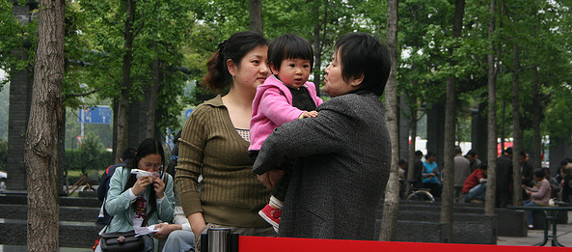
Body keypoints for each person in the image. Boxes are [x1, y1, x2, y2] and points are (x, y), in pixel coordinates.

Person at [252, 32, 392, 240]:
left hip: (326, 235)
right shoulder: (370, 110)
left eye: (334, 64)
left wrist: (263, 167)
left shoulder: (349, 110)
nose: (326, 69)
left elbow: (284, 138)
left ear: (357, 78)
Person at [175, 31, 275, 251]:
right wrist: (201, 230)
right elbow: (185, 175)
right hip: (219, 233)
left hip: (270, 233)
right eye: (256, 62)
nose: (264, 69)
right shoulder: (205, 114)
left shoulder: (279, 115)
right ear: (232, 67)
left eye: (268, 63)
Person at [249, 33, 323, 232]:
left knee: (306, 168)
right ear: (274, 67)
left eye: (305, 66)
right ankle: (275, 208)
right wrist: (301, 116)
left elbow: (321, 108)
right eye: (292, 66)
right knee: (296, 167)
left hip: (289, 144)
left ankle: (291, 209)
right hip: (266, 146)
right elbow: (278, 110)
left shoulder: (309, 89)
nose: (299, 72)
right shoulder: (270, 90)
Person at [94, 138, 176, 252]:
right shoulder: (121, 173)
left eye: (157, 166)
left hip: (146, 240)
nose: (151, 170)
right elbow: (111, 208)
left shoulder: (166, 179)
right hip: (120, 236)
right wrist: (133, 192)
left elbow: (167, 216)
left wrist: (161, 196)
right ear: (138, 158)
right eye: (147, 164)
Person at [96, 147, 136, 227]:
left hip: (107, 217)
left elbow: (100, 193)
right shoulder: (137, 172)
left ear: (121, 160)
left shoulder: (110, 169)